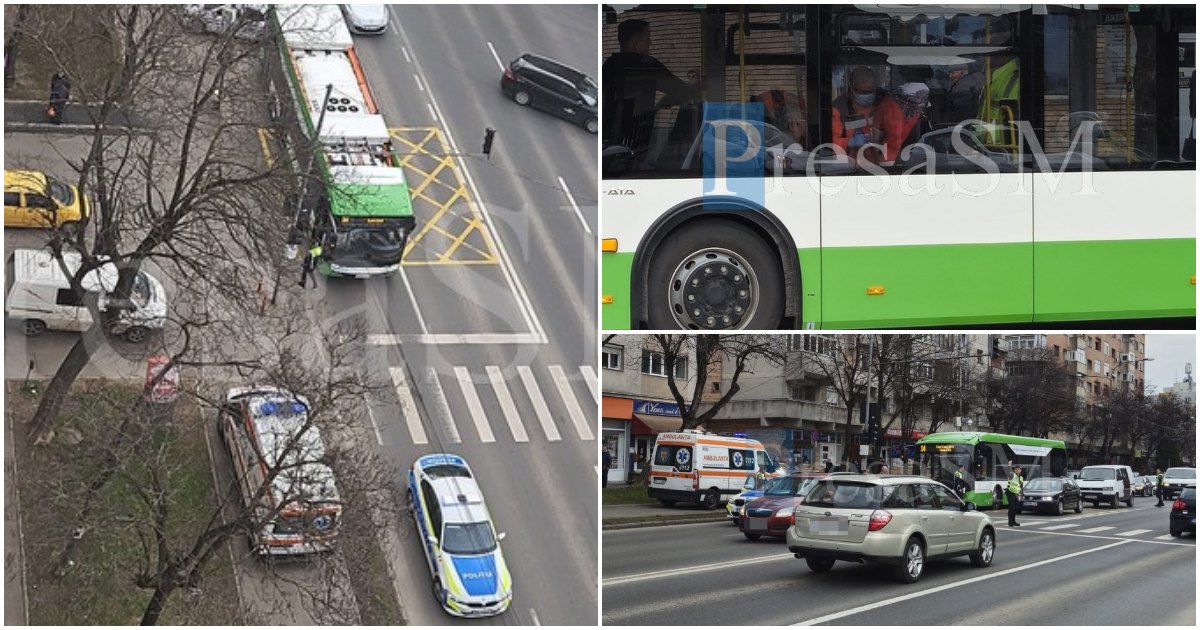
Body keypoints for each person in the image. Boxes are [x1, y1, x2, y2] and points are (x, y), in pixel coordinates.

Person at [602, 19, 698, 160]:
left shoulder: (609, 64)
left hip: (608, 137)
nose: (650, 43)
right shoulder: (645, 65)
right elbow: (681, 90)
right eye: (647, 39)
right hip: (636, 139)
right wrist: (694, 85)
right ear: (636, 44)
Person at [831, 66, 909, 164]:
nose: (866, 95)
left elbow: (898, 134)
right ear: (852, 89)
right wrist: (849, 142)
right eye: (862, 92)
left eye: (870, 91)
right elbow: (830, 144)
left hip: (883, 164)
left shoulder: (885, 103)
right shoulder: (839, 108)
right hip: (853, 167)